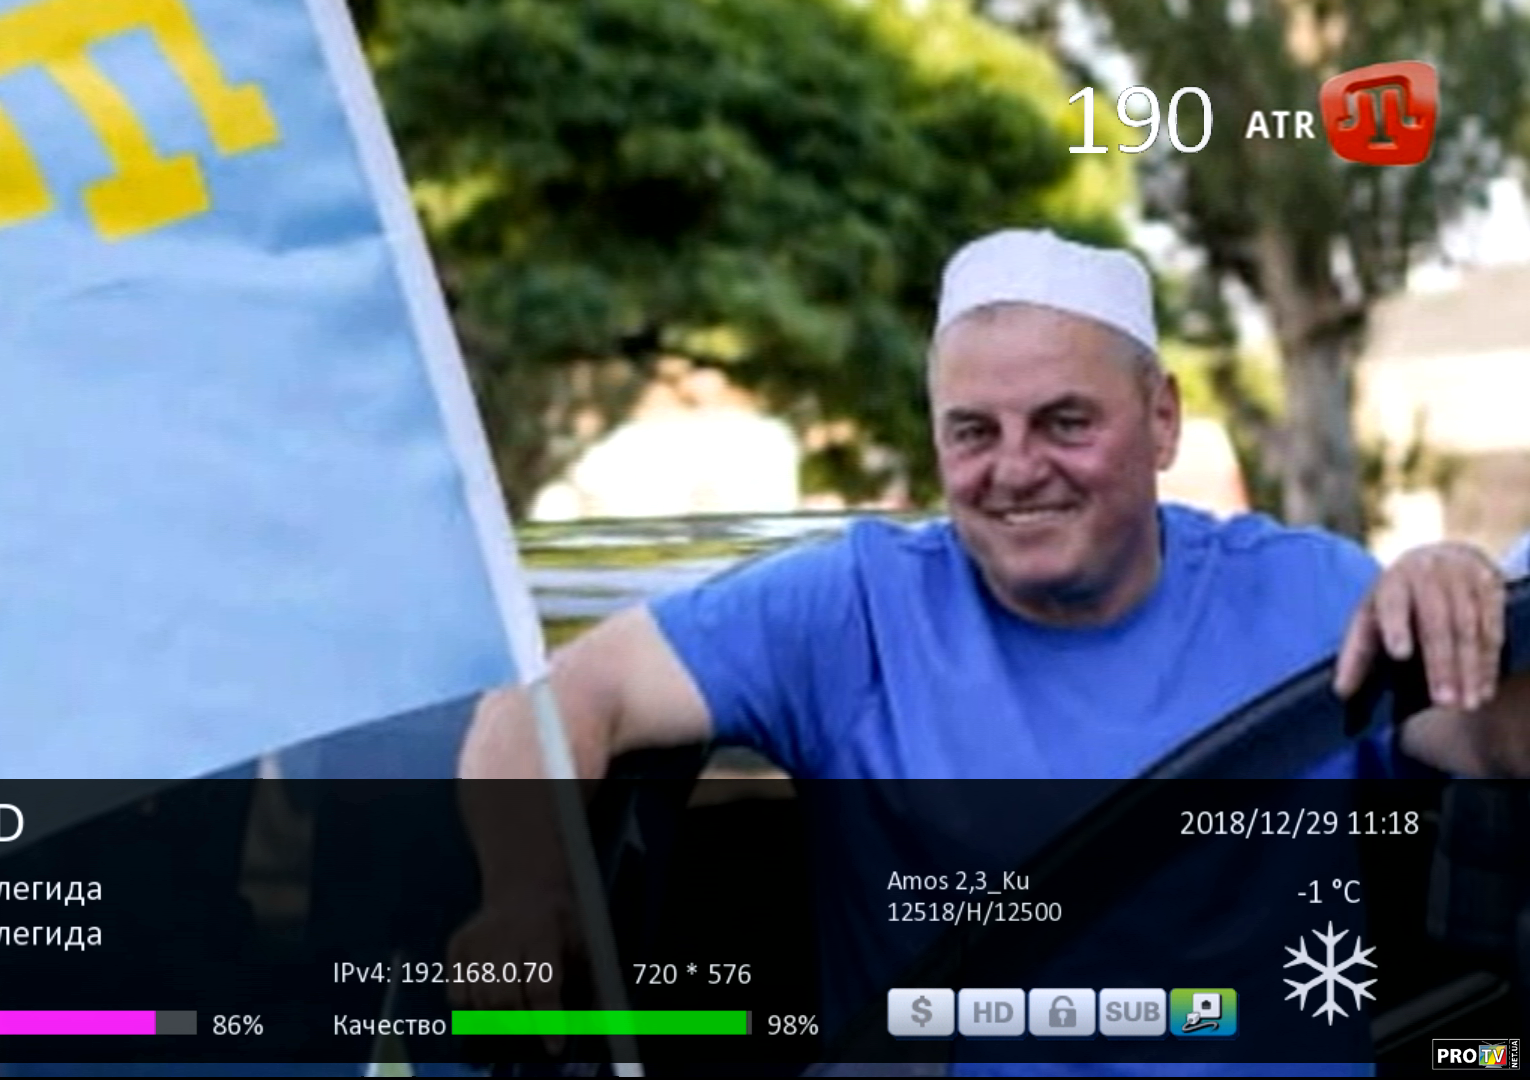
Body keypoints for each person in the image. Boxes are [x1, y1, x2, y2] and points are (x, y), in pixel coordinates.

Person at [449, 231, 1523, 1069]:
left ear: (1161, 420)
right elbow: (549, 702)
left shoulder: (1308, 591)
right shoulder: (855, 607)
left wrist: (1466, 603)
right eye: (974, 431)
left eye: (1065, 423)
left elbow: (1498, 748)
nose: (1015, 469)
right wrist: (526, 899)